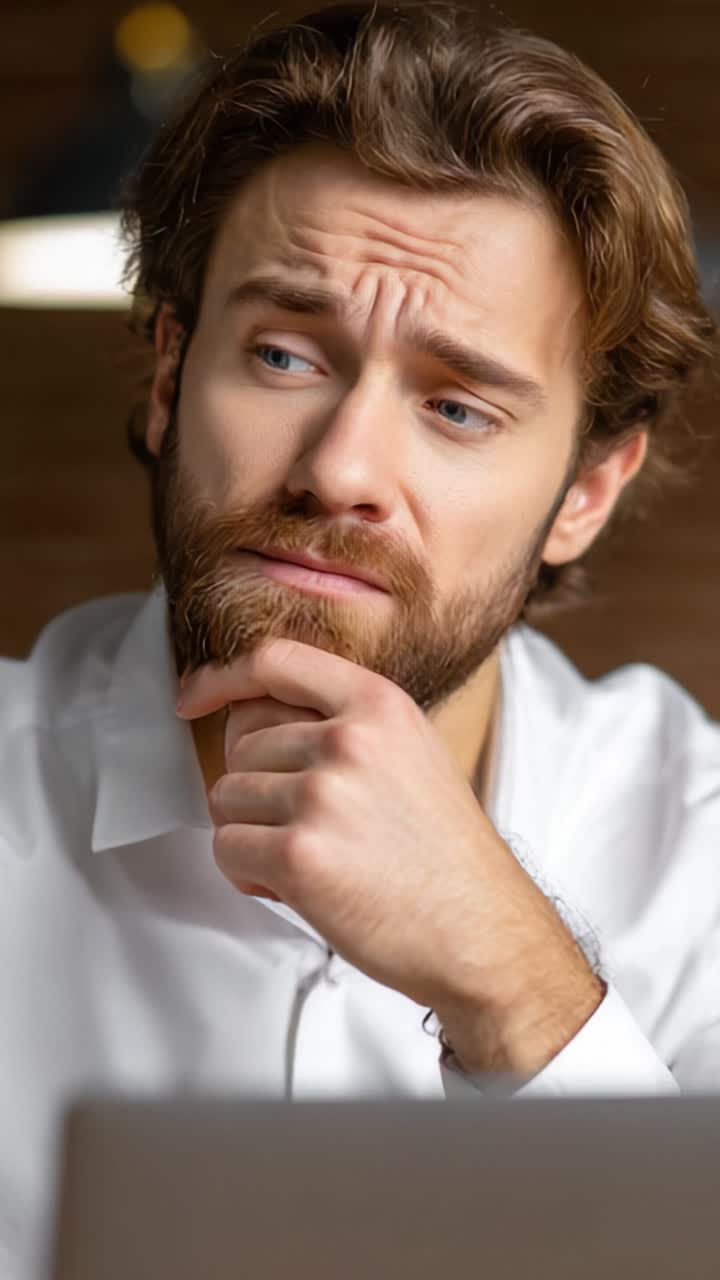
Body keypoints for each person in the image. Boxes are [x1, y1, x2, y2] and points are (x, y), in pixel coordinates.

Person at [2, 3, 719, 1274]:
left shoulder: (697, 858)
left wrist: (519, 980)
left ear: (589, 489)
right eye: (284, 355)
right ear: (169, 378)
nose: (341, 469)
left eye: (457, 407)